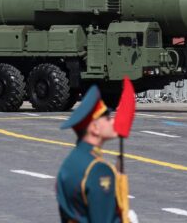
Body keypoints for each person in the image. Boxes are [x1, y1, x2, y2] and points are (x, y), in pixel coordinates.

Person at [56, 85, 135, 223]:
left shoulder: (70, 162)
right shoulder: (99, 170)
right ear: (95, 128)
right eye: (107, 118)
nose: (113, 121)